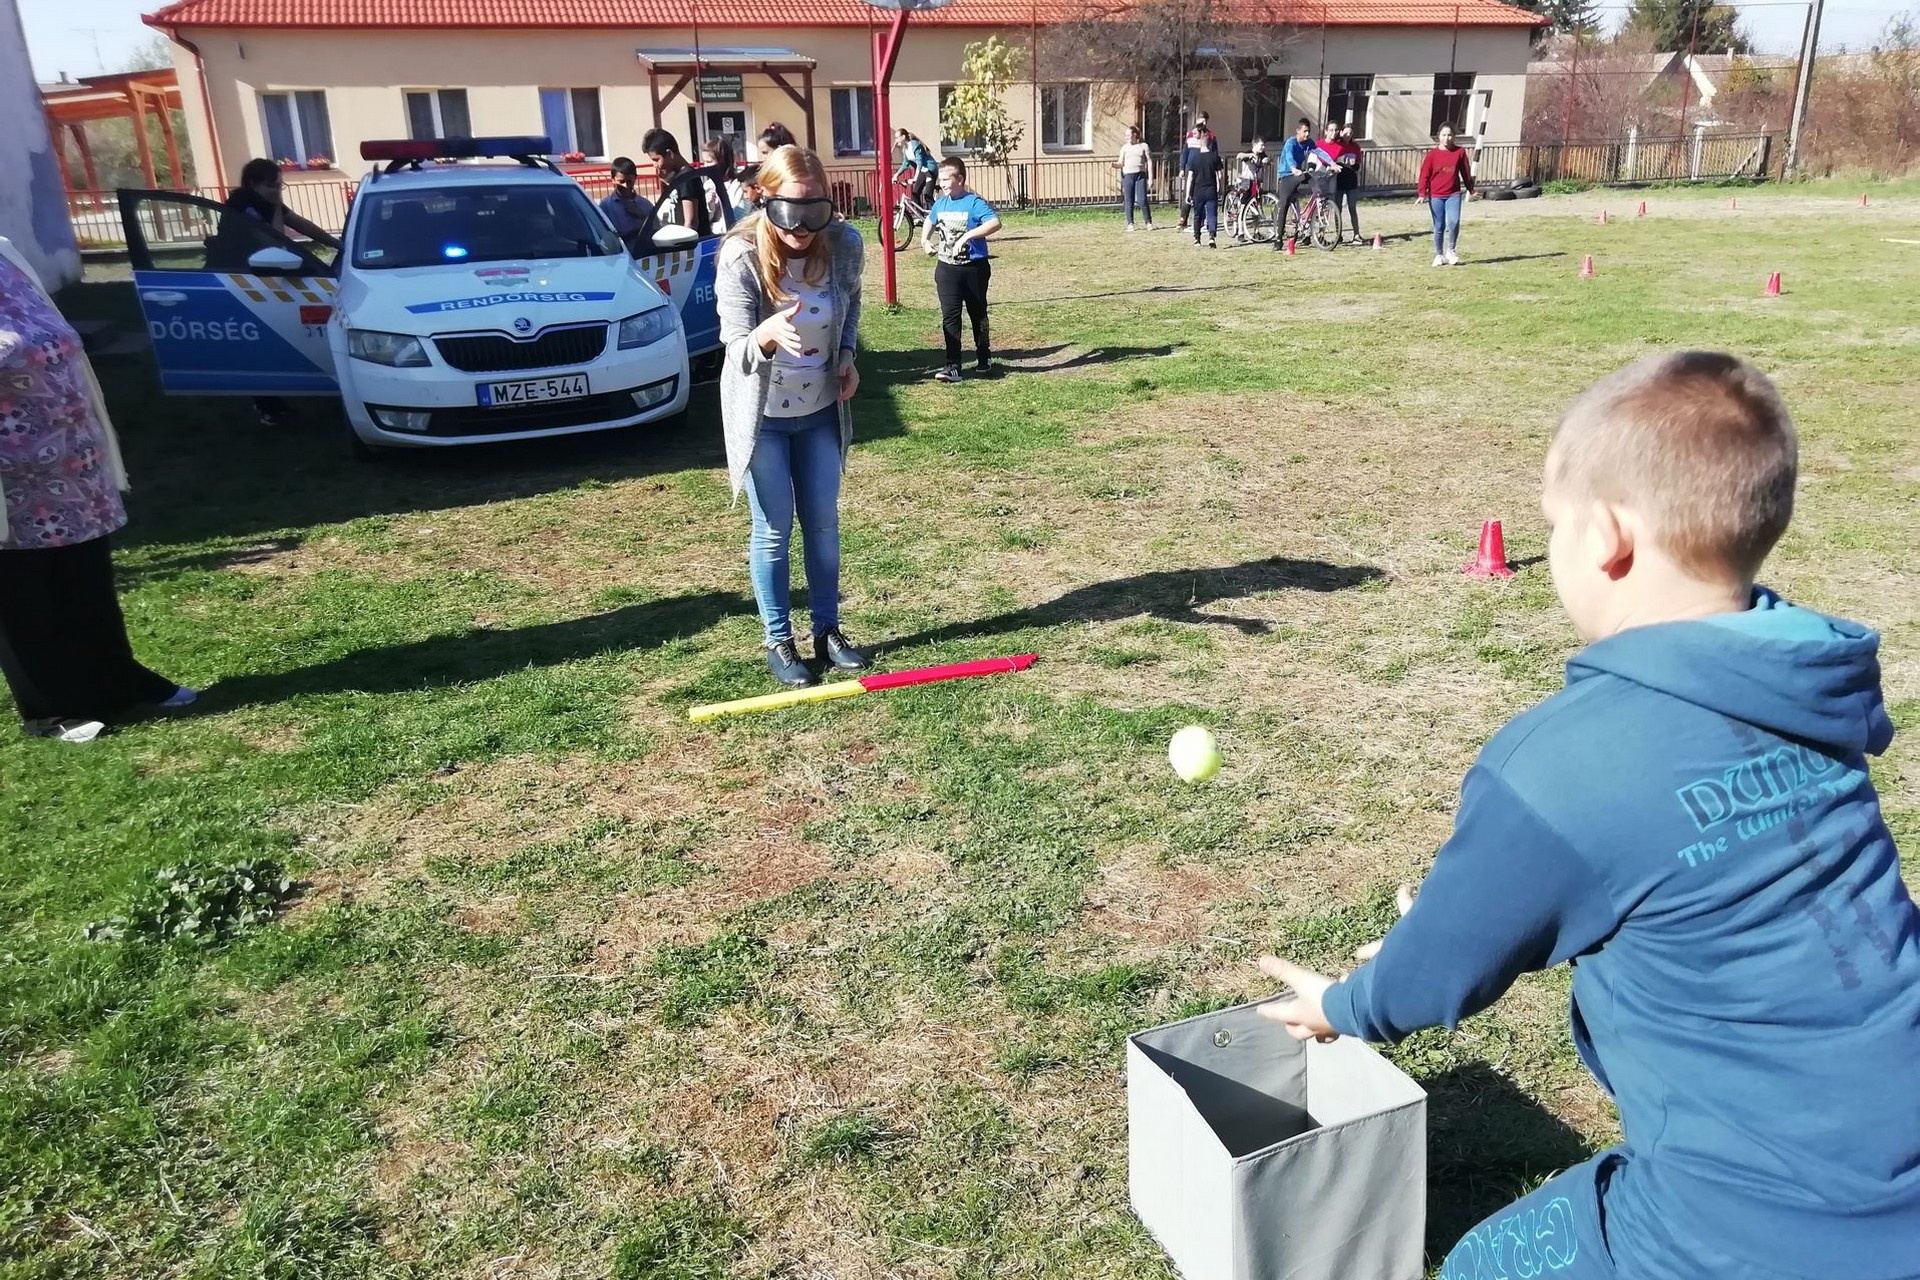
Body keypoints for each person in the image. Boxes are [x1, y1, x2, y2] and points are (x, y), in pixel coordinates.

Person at [1256, 351, 1920, 1280]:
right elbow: (1677, 871)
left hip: (1757, 1227)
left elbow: (1432, 979)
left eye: (1554, 525)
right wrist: (1461, 924)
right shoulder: (1804, 690)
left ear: (1607, 535)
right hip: (1891, 1173)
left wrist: (1341, 1005)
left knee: (1481, 1268)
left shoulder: (1563, 764)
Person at [0, 237, 194, 743]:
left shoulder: (6, 254)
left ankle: (116, 679)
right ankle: (49, 709)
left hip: (71, 458)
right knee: (22, 589)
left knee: (85, 577)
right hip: (10, 471)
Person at [714, 145, 868, 691]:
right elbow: (733, 347)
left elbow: (850, 306)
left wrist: (846, 355)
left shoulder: (844, 244)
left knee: (823, 523)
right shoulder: (740, 256)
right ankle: (779, 640)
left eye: (814, 212)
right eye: (789, 212)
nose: (802, 228)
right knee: (774, 529)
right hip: (765, 420)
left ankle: (827, 630)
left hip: (820, 411)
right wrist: (764, 334)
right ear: (763, 200)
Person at [210, 159, 341, 426]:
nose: (277, 191)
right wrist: (278, 206)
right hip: (236, 281)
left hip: (256, 276)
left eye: (280, 186)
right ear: (252, 184)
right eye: (272, 186)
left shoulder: (262, 201)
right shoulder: (243, 206)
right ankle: (267, 406)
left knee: (264, 341)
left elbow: (301, 224)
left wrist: (338, 244)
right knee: (254, 345)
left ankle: (273, 400)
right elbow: (276, 240)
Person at [924, 156, 1000, 383]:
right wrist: (924, 240)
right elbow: (930, 220)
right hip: (947, 269)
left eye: (946, 180)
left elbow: (994, 223)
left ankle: (984, 355)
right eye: (940, 180)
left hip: (974, 268)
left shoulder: (974, 202)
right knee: (950, 316)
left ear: (960, 179)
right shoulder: (941, 203)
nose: (942, 184)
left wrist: (967, 236)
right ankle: (953, 366)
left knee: (978, 313)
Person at [1272, 118, 1336, 250]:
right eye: (1304, 131)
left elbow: (1320, 152)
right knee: (1284, 204)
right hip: (1287, 175)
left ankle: (1318, 199)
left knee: (1313, 175)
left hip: (1299, 173)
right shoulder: (1291, 143)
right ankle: (1278, 239)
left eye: (1308, 131)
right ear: (1298, 131)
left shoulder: (1309, 143)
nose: (1307, 134)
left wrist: (1332, 163)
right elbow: (1289, 156)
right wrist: (1293, 168)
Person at [1416, 123, 1475, 267]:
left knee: (1454, 221)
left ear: (1454, 136)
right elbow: (1424, 175)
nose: (1447, 138)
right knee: (1439, 225)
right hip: (1436, 195)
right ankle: (1439, 254)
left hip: (1453, 194)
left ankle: (1451, 250)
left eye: (1450, 135)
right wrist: (1422, 193)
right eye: (1444, 135)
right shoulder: (1432, 155)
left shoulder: (1460, 152)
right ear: (1439, 136)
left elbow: (1466, 172)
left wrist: (1471, 189)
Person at [642, 128, 713, 238]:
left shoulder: (687, 178)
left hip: (693, 244)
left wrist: (685, 245)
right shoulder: (677, 177)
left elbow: (691, 222)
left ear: (669, 153)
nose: (654, 165)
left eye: (656, 160)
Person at [599, 156, 658, 253]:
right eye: (621, 182)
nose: (626, 186)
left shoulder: (645, 205)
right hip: (619, 255)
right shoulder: (606, 206)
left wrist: (642, 216)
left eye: (629, 182)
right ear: (613, 179)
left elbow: (655, 230)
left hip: (643, 254)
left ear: (635, 179)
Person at [1185, 130, 1223, 249]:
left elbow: (1190, 177)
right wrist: (1219, 187)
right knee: (1212, 214)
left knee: (1197, 215)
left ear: (1200, 144)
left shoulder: (1194, 158)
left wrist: (1187, 193)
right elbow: (1220, 175)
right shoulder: (1214, 157)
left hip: (1198, 191)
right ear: (1210, 144)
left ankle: (1197, 239)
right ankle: (1212, 236)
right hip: (1211, 189)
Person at [1177, 111, 1212, 231]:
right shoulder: (1190, 135)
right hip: (1190, 168)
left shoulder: (1209, 135)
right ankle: (1183, 218)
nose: (1203, 122)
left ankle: (1201, 220)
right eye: (1201, 120)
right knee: (1187, 192)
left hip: (1202, 168)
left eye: (1205, 120)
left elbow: (1213, 151)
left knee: (1200, 194)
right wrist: (1182, 168)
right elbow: (1184, 153)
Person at [1114, 125, 1154, 231]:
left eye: (1128, 135)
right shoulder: (1124, 148)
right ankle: (1130, 223)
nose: (1126, 137)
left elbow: (1149, 161)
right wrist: (1114, 165)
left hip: (1140, 175)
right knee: (1128, 199)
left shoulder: (1143, 146)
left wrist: (1150, 178)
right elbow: (1120, 162)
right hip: (1128, 176)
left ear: (1135, 135)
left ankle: (1148, 222)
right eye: (1125, 135)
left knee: (1142, 199)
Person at [701, 136, 746, 224]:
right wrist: (709, 206)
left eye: (709, 162)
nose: (705, 166)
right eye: (704, 162)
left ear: (723, 162)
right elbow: (706, 219)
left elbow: (736, 215)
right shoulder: (708, 185)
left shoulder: (737, 185)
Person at [1334, 122, 1365, 246]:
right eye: (1346, 133)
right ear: (1341, 132)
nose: (1348, 135)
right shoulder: (1337, 145)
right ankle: (1338, 234)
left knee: (1352, 207)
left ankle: (1356, 234)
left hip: (1351, 181)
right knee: (1338, 208)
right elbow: (1331, 160)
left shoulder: (1355, 147)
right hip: (1339, 180)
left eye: (1351, 133)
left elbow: (1358, 163)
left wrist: (1355, 165)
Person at [894, 128, 937, 211]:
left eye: (897, 138)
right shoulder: (905, 149)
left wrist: (915, 178)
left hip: (930, 170)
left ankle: (936, 214)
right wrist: (896, 175)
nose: (896, 140)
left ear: (903, 137)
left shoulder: (915, 145)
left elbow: (919, 162)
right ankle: (921, 216)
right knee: (915, 195)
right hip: (922, 171)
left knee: (927, 195)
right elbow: (905, 164)